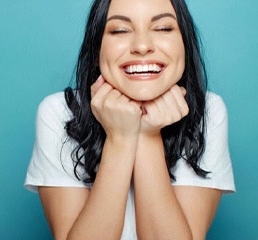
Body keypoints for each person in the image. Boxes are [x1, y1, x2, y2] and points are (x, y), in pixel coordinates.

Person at [24, 0, 235, 239]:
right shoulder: (60, 112)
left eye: (163, 28)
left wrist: (148, 134)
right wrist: (120, 138)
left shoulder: (207, 112)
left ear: (185, 43)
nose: (142, 46)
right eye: (119, 31)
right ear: (96, 51)